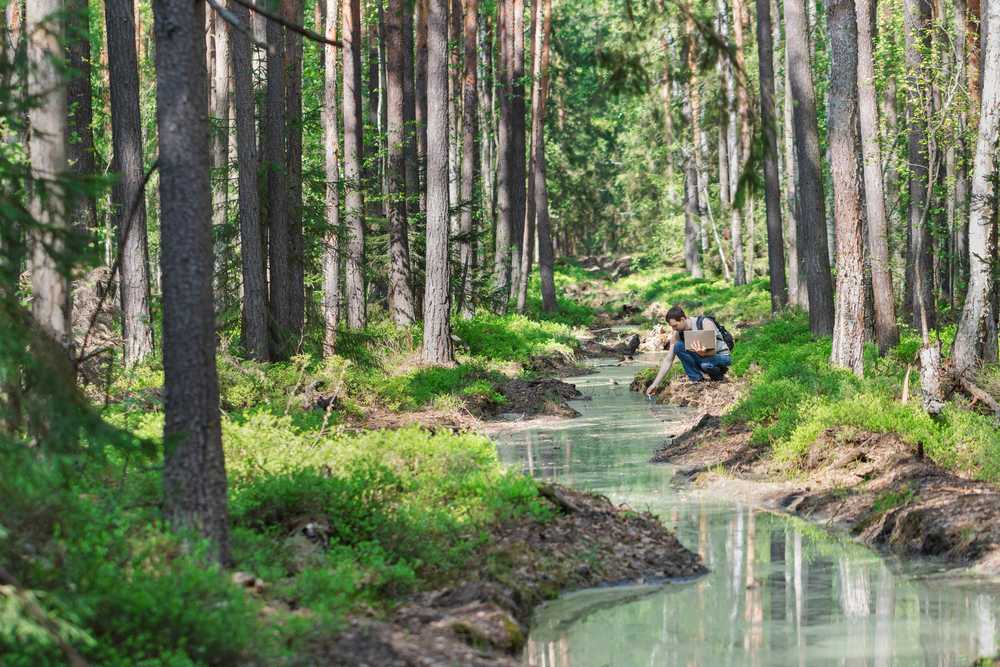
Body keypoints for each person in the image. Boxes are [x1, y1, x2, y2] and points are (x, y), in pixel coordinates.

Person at [646, 305, 731, 395]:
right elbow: (668, 359)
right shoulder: (677, 333)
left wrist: (702, 353)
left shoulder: (705, 323)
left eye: (675, 325)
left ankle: (719, 374)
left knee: (706, 365)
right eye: (672, 327)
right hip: (702, 358)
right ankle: (697, 380)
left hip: (721, 357)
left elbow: (713, 351)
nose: (673, 329)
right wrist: (654, 384)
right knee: (678, 346)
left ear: (682, 319)